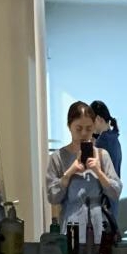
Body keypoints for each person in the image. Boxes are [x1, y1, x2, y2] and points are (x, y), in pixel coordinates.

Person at [46, 100, 122, 242]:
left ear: (94, 126)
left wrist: (99, 172)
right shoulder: (58, 157)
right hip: (71, 227)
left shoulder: (102, 155)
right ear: (69, 126)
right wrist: (70, 172)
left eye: (89, 128)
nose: (84, 133)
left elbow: (115, 192)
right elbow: (52, 197)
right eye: (79, 128)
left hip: (99, 227)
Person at [90, 101, 123, 198]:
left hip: (102, 200)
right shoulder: (113, 137)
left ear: (98, 119)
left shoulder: (103, 141)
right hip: (111, 198)